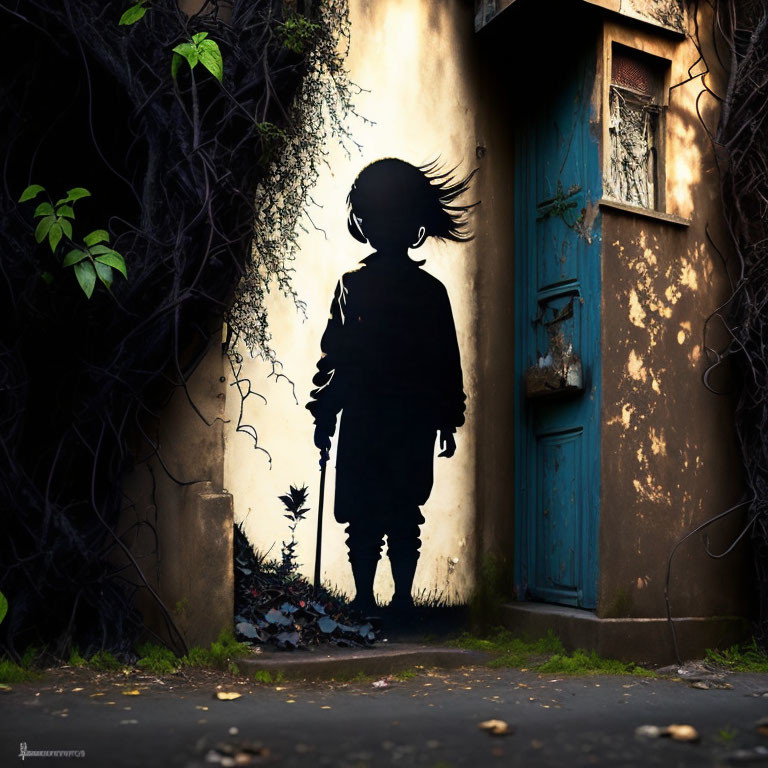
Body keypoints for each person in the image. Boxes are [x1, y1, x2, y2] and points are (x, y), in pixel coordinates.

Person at [306, 157, 476, 615]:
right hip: (405, 419)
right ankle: (396, 600)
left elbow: (335, 356)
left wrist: (326, 412)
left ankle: (369, 598)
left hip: (371, 417)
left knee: (372, 516)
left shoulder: (355, 286)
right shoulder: (428, 291)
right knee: (401, 514)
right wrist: (447, 418)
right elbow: (446, 363)